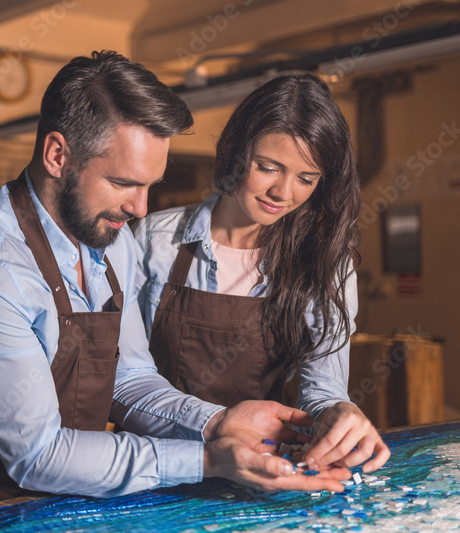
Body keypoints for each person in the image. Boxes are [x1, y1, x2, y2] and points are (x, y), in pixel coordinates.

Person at [0, 52, 350, 515]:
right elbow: (37, 456)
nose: (141, 209)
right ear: (57, 155)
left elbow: (129, 378)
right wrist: (207, 459)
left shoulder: (107, 238)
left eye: (150, 186)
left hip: (73, 504)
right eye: (123, 183)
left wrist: (219, 422)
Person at [133, 72, 390, 474]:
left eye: (306, 179)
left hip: (259, 470)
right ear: (236, 152)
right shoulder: (154, 239)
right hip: (158, 466)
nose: (283, 193)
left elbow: (321, 390)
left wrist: (337, 413)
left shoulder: (323, 261)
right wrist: (213, 427)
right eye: (268, 167)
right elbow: (125, 379)